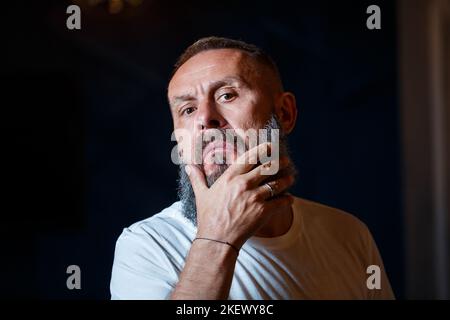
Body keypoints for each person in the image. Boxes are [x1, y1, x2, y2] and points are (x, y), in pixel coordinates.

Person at [110, 36, 395, 300]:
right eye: (188, 109)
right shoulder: (146, 246)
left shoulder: (349, 235)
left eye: (227, 95)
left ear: (284, 114)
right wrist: (217, 238)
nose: (205, 119)